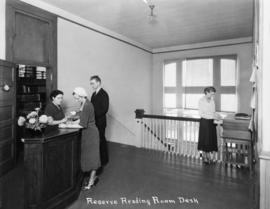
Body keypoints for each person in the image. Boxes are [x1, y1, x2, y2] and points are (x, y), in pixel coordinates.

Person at [72, 87, 100, 190]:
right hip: (88, 133)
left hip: (91, 134)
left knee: (93, 158)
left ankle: (91, 182)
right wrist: (74, 122)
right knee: (88, 157)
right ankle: (91, 178)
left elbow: (83, 124)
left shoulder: (87, 105)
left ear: (81, 95)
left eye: (77, 98)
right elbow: (82, 118)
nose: (76, 100)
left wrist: (69, 125)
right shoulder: (84, 103)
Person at [90, 76, 109, 167]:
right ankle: (99, 159)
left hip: (100, 122)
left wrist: (93, 115)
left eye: (93, 83)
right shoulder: (93, 94)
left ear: (98, 83)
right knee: (97, 141)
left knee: (101, 140)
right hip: (94, 121)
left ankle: (104, 160)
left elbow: (104, 109)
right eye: (91, 83)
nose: (91, 85)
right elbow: (91, 107)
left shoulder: (104, 94)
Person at [198, 87, 220, 164]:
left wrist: (217, 116)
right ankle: (205, 157)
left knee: (211, 140)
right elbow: (201, 113)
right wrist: (212, 116)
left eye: (213, 94)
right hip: (204, 122)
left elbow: (213, 111)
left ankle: (210, 157)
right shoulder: (201, 101)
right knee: (205, 140)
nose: (212, 95)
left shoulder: (212, 100)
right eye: (211, 93)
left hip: (211, 123)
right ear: (207, 92)